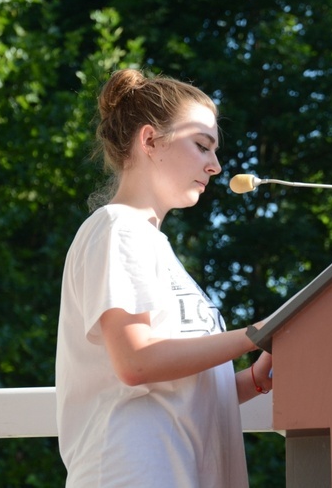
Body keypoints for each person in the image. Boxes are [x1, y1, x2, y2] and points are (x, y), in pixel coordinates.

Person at [55, 68, 273, 487]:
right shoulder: (118, 228)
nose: (216, 166)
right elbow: (136, 362)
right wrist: (257, 334)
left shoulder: (151, 244)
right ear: (150, 139)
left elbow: (178, 387)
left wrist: (250, 380)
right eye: (202, 146)